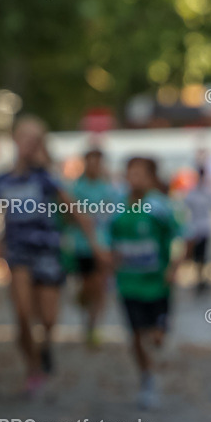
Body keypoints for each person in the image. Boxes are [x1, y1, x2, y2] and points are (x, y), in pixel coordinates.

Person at [0, 116, 107, 397]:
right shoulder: (1, 179)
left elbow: (76, 211)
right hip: (18, 252)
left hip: (48, 251)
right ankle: (33, 368)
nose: (29, 144)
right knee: (23, 314)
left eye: (35, 139)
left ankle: (45, 346)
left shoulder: (47, 178)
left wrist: (95, 246)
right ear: (15, 140)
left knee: (48, 319)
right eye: (25, 137)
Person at [109, 157, 186, 410]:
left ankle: (155, 353)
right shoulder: (117, 206)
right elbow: (105, 237)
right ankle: (147, 377)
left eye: (140, 174)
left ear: (151, 178)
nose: (135, 179)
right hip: (128, 283)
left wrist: (174, 266)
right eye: (131, 173)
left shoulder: (160, 207)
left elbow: (181, 235)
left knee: (157, 337)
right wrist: (108, 257)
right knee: (136, 335)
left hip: (157, 284)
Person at [64, 147, 121, 347]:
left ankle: (94, 325)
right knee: (88, 286)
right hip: (82, 246)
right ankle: (86, 312)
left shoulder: (109, 189)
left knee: (101, 286)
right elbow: (68, 217)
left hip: (104, 246)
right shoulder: (76, 189)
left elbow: (115, 217)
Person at [182, 166, 211, 295]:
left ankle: (202, 278)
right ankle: (198, 278)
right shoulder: (193, 192)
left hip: (204, 227)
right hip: (196, 228)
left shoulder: (207, 192)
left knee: (203, 255)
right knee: (197, 255)